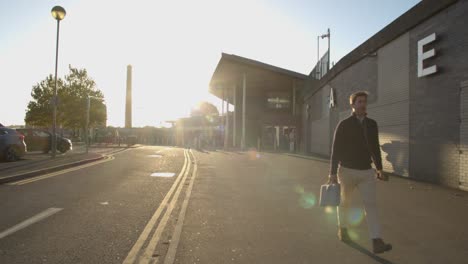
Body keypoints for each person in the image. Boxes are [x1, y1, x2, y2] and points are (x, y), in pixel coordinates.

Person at [328, 91, 392, 254]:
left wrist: (379, 168)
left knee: (371, 205)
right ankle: (343, 230)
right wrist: (332, 173)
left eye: (364, 102)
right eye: (359, 102)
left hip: (366, 172)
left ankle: (376, 240)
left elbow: (375, 148)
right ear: (353, 105)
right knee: (345, 203)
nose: (362, 104)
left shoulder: (372, 124)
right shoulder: (344, 124)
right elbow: (336, 150)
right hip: (347, 171)